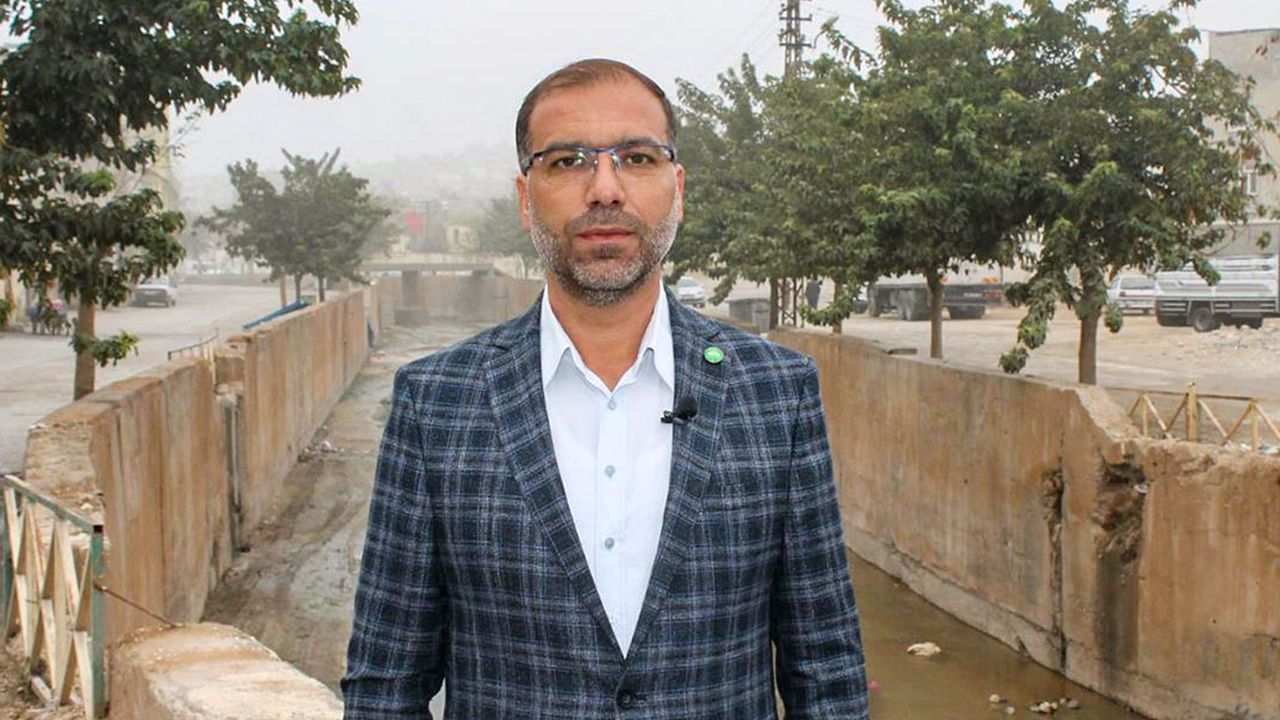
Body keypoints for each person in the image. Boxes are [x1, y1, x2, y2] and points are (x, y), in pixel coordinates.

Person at [342, 58, 868, 719]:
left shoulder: (777, 393)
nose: (605, 189)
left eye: (637, 159)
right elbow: (385, 685)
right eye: (567, 162)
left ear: (677, 188)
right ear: (525, 197)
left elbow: (827, 673)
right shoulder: (437, 401)